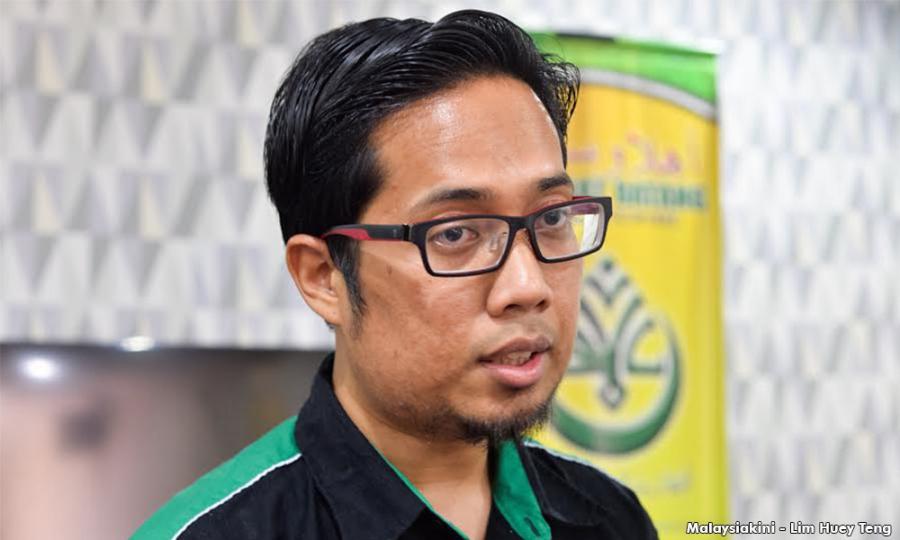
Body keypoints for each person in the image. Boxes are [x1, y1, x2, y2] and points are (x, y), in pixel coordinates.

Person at [134, 9, 657, 540]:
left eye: (551, 219)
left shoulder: (611, 518)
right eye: (455, 233)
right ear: (323, 276)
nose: (528, 287)